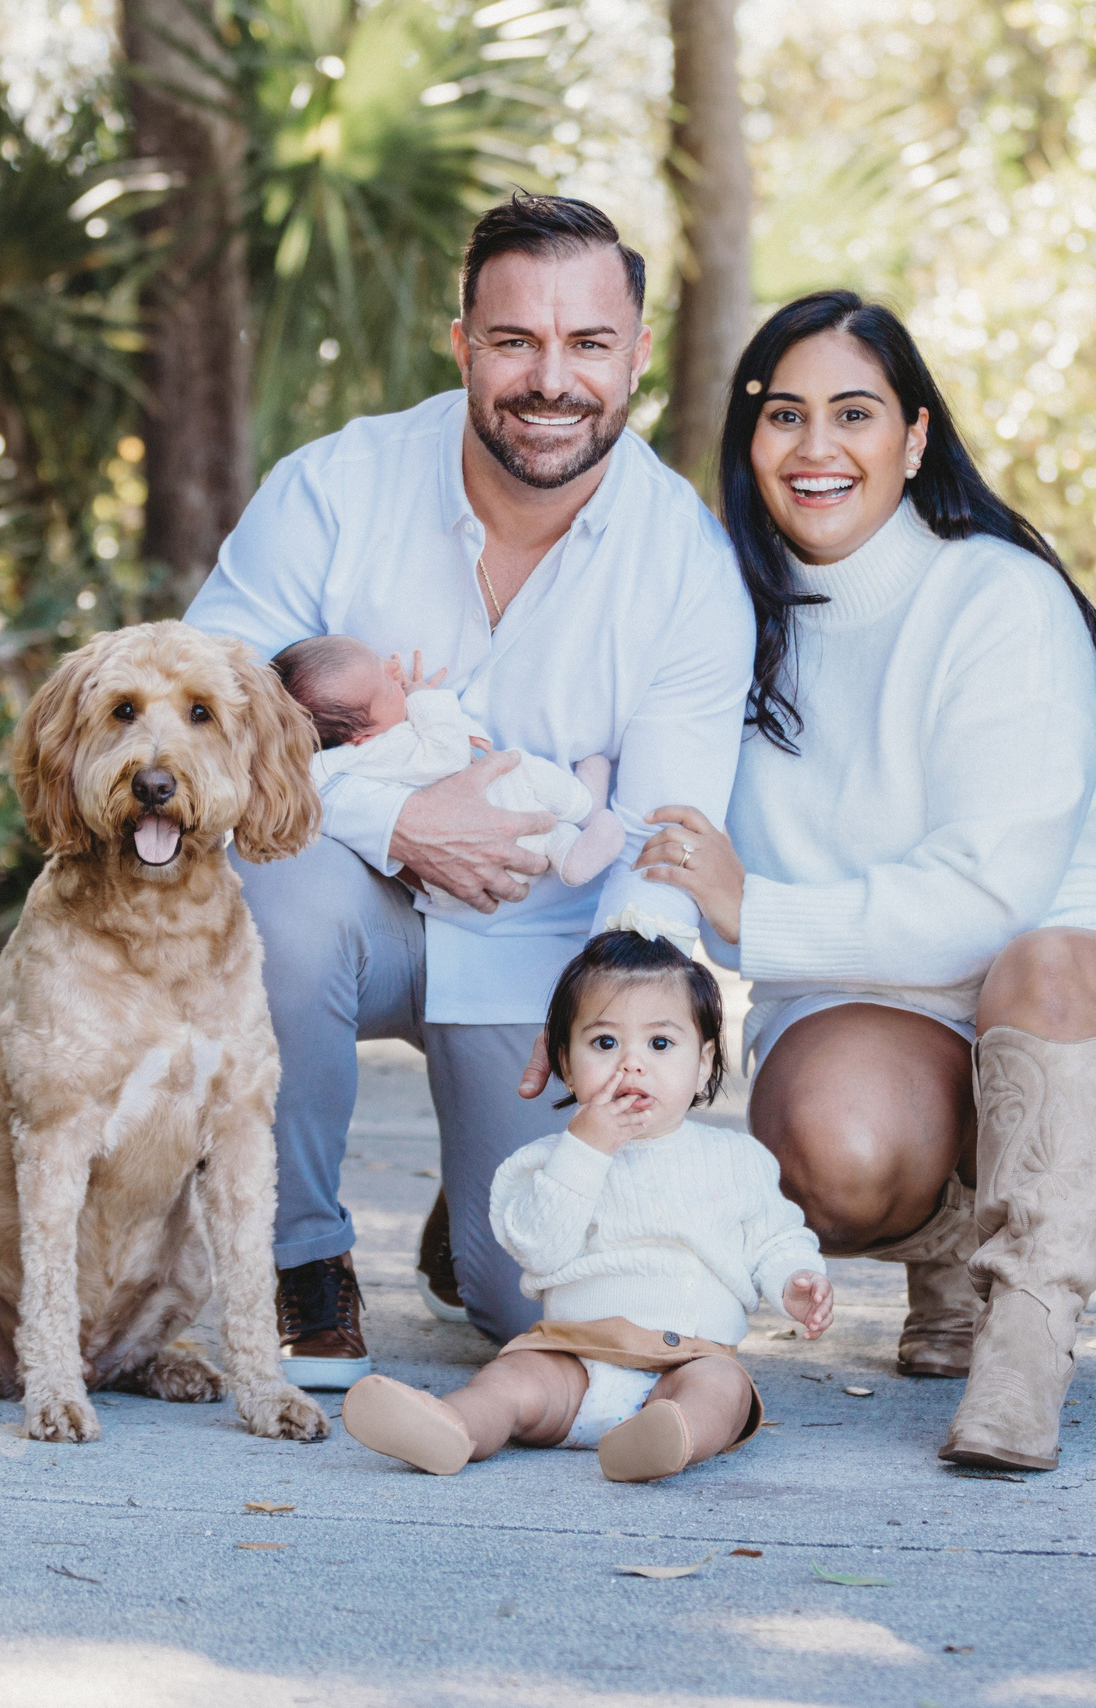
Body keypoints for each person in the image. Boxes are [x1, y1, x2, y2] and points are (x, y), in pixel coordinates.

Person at [612, 291, 1096, 1471]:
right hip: (880, 992)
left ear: (912, 437)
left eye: (852, 414)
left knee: (1037, 966)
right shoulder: (720, 623)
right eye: (782, 416)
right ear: (746, 440)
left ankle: (1025, 1344)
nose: (815, 449)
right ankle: (958, 1246)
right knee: (831, 1139)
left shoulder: (996, 595)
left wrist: (758, 911)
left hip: (1086, 981)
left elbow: (991, 900)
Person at [186, 195, 755, 1385]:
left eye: (588, 344)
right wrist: (388, 816)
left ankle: (472, 1205)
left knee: (529, 1307)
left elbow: (660, 846)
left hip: (539, 950)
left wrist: (623, 1046)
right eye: (515, 342)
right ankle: (296, 1257)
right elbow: (203, 716)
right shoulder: (334, 487)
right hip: (350, 904)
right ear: (462, 344)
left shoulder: (688, 570)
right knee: (272, 896)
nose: (552, 380)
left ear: (637, 353)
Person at [339, 931, 829, 1482]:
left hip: (687, 1359)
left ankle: (668, 1439)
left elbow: (775, 1239)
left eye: (660, 1045)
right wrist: (586, 1149)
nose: (631, 1066)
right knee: (509, 1383)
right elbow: (538, 1251)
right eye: (603, 1044)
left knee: (724, 1391)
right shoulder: (544, 1162)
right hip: (570, 1357)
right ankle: (453, 1427)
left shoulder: (737, 1158)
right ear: (565, 1066)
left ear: (703, 1063)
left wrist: (794, 1278)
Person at [272, 636, 624, 889]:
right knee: (522, 772)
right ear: (360, 738)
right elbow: (447, 753)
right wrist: (426, 699)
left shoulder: (340, 759)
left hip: (446, 879)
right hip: (474, 850)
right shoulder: (387, 747)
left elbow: (307, 777)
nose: (396, 669)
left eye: (381, 663)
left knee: (522, 799)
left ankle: (571, 840)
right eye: (389, 687)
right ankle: (583, 815)